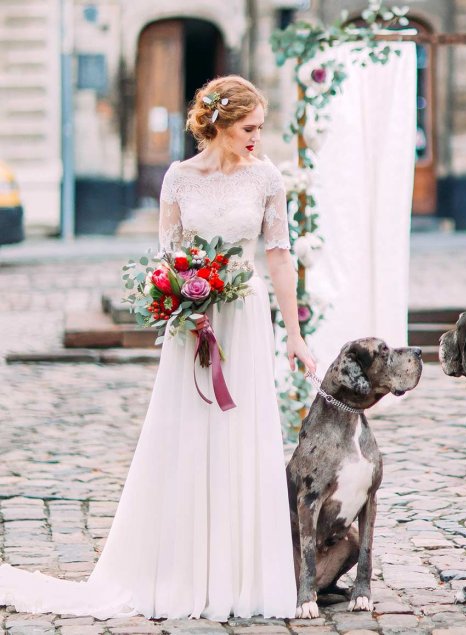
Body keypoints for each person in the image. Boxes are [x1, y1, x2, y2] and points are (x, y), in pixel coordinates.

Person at [0, 75, 315, 620]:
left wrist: (294, 332)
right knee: (188, 434)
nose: (257, 137)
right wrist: (179, 302)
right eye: (249, 127)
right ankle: (180, 570)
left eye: (260, 127)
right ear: (218, 124)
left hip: (243, 318)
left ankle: (240, 574)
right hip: (194, 322)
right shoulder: (179, 178)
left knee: (242, 435)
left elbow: (279, 255)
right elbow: (167, 259)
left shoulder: (266, 177)